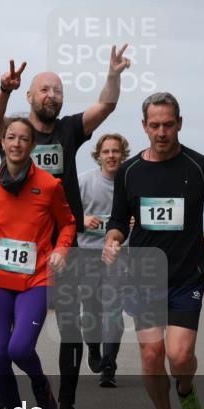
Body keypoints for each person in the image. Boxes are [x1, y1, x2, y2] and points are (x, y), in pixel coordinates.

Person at [0, 47, 131, 409]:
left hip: (67, 249)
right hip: (19, 250)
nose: (52, 95)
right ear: (30, 97)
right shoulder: (15, 136)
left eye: (58, 90)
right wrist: (4, 89)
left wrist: (113, 73)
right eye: (44, 89)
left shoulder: (68, 130)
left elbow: (106, 106)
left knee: (70, 328)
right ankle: (3, 379)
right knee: (11, 334)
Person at [102, 92, 204, 409]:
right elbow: (117, 221)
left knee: (178, 356)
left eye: (168, 125)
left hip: (186, 276)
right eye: (155, 125)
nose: (162, 132)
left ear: (179, 124)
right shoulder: (129, 171)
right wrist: (113, 240)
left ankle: (186, 390)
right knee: (150, 355)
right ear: (144, 126)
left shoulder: (200, 166)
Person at [0, 117, 76, 409]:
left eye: (24, 139)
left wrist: (61, 251)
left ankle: (41, 387)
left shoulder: (49, 185)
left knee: (20, 349)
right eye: (10, 137)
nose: (16, 143)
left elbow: (68, 223)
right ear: (2, 142)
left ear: (32, 146)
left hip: (36, 279)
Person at [78, 133, 131, 387]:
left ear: (123, 154)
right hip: (87, 255)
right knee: (91, 311)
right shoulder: (84, 182)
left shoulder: (131, 183)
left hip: (118, 256)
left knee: (113, 312)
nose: (111, 156)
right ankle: (93, 348)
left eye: (116, 151)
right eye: (106, 151)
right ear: (98, 155)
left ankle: (108, 366)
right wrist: (82, 220)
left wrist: (135, 222)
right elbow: (65, 213)